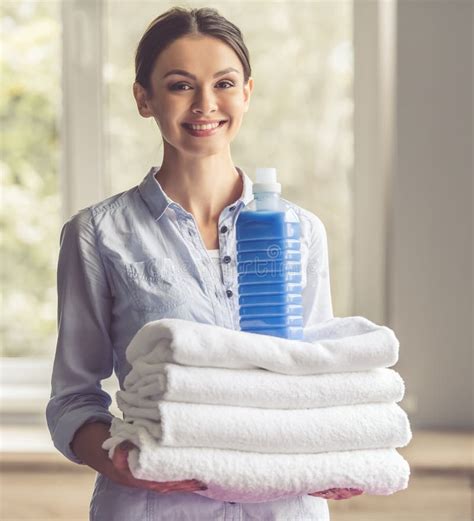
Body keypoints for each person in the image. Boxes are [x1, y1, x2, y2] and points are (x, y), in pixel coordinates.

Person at [46, 6, 362, 520]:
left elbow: (315, 378)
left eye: (224, 83)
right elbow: (72, 399)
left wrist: (338, 450)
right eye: (179, 85)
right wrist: (122, 461)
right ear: (143, 98)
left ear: (247, 93)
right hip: (156, 505)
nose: (205, 104)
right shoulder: (98, 235)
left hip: (283, 507)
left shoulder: (299, 231)